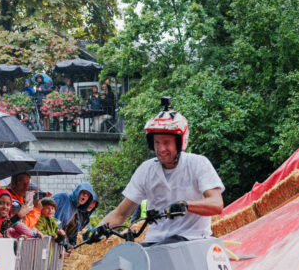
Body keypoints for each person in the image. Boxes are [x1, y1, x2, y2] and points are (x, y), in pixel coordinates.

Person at [95, 98, 223, 245]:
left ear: (180, 142)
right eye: (157, 142)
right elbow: (121, 213)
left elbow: (216, 204)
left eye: (167, 142)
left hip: (192, 241)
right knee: (126, 258)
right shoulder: (146, 170)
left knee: (166, 246)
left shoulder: (198, 164)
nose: (161, 149)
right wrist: (96, 231)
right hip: (155, 243)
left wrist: (186, 205)